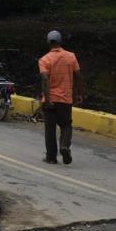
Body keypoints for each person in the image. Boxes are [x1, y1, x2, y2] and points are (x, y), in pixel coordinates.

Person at [39, 30, 82, 165]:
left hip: (50, 99)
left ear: (48, 42)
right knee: (66, 125)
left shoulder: (44, 59)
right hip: (66, 99)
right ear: (60, 41)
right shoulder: (71, 57)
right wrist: (79, 93)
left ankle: (51, 157)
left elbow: (45, 79)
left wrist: (47, 99)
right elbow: (78, 76)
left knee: (50, 129)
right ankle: (64, 146)